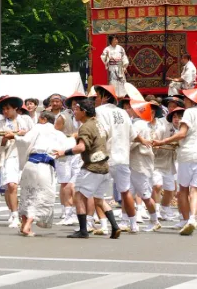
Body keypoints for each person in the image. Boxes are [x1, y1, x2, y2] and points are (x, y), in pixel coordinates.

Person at [151, 88, 197, 236]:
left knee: (183, 190)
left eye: (186, 98)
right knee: (196, 190)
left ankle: (186, 219)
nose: (184, 101)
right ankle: (192, 218)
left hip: (188, 154)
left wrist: (163, 141)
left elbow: (182, 133)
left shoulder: (190, 112)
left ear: (192, 100)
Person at [54, 98, 121, 239]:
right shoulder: (99, 124)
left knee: (78, 195)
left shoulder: (85, 127)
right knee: (99, 199)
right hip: (104, 167)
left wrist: (63, 152)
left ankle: (83, 230)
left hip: (91, 167)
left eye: (77, 110)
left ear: (84, 112)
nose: (75, 112)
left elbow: (81, 147)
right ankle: (115, 227)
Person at [7, 111, 72, 236]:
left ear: (43, 119)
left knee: (27, 194)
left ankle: (24, 224)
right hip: (44, 167)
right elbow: (65, 153)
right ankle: (27, 225)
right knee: (41, 196)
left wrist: (15, 137)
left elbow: (25, 141)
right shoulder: (60, 135)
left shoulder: (37, 128)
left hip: (29, 165)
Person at [94, 86, 139, 232]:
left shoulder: (99, 112)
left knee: (97, 193)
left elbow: (102, 133)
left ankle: (104, 226)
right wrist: (144, 140)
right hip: (123, 157)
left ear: (105, 97)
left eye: (97, 96)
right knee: (125, 192)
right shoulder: (124, 113)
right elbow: (133, 135)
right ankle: (133, 224)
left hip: (105, 157)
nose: (96, 99)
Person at [0, 95, 34, 228]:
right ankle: (14, 214)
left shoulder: (26, 120)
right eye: (3, 109)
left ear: (15, 109)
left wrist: (22, 133)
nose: (5, 111)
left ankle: (23, 212)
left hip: (24, 155)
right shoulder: (0, 124)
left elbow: (33, 135)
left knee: (24, 186)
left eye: (8, 108)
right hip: (9, 156)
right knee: (11, 185)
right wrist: (5, 139)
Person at [128, 100, 160, 232]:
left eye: (131, 108)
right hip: (134, 163)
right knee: (127, 193)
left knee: (145, 195)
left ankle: (154, 220)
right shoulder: (138, 123)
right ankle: (130, 222)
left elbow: (132, 141)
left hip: (140, 164)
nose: (129, 110)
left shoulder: (139, 124)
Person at [54, 92, 82, 226]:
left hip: (78, 152)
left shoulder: (84, 116)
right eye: (74, 102)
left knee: (75, 184)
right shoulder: (62, 117)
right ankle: (66, 211)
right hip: (64, 152)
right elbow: (55, 135)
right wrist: (72, 136)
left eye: (79, 102)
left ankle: (76, 212)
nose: (76, 104)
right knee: (65, 183)